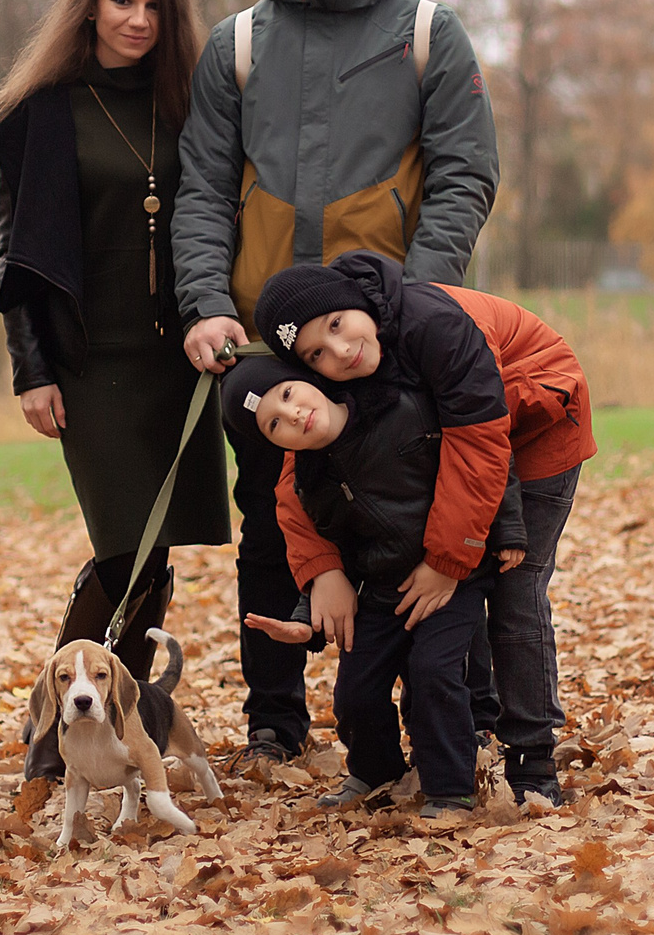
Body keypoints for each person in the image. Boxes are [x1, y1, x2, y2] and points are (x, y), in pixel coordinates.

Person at [172, 0, 501, 765]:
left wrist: (420, 301)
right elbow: (200, 187)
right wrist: (205, 303)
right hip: (267, 339)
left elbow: (465, 175)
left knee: (427, 508)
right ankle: (276, 722)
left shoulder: (429, 32)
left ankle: (463, 715)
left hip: (390, 332)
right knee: (273, 521)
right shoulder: (237, 45)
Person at [0, 0, 232, 790]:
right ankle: (54, 731)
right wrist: (31, 367)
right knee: (126, 546)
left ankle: (117, 729)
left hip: (177, 362)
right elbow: (18, 255)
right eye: (123, 0)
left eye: (155, 5)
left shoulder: (188, 100)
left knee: (157, 556)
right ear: (90, 2)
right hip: (89, 363)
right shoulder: (44, 110)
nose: (138, 18)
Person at [253, 252, 593, 810]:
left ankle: (533, 760)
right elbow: (299, 474)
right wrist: (324, 572)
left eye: (338, 325)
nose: (340, 351)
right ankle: (465, 737)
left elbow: (479, 444)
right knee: (444, 600)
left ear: (353, 300)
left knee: (511, 590)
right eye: (317, 351)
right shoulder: (328, 376)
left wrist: (446, 560)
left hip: (533, 412)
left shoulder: (434, 324)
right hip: (453, 441)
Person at [222, 357, 523, 817]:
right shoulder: (311, 480)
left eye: (286, 396)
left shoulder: (398, 409)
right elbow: (332, 561)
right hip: (380, 590)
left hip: (450, 578)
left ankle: (450, 788)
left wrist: (508, 531)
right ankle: (376, 770)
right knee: (355, 692)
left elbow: (478, 466)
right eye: (274, 425)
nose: (293, 416)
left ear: (307, 381)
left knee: (433, 674)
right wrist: (307, 619)